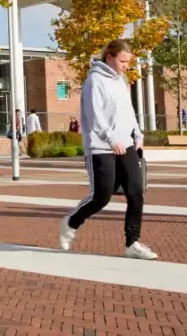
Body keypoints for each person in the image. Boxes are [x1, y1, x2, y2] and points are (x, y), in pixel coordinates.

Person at [59, 40, 157, 260]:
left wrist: (138, 133)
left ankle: (132, 243)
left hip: (127, 144)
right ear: (110, 57)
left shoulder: (121, 80)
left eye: (128, 62)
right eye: (122, 61)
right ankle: (72, 221)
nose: (125, 65)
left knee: (136, 193)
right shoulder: (94, 80)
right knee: (101, 197)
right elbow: (95, 116)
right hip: (101, 146)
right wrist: (111, 139)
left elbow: (128, 110)